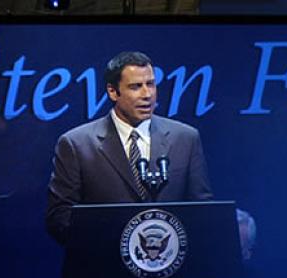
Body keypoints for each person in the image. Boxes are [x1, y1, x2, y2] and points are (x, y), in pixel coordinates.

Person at [45, 51, 255, 257]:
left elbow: (201, 210)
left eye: (151, 84)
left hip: (169, 270)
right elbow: (60, 218)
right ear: (112, 91)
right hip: (105, 272)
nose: (147, 95)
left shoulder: (185, 138)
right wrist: (123, 245)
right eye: (136, 86)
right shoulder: (76, 144)